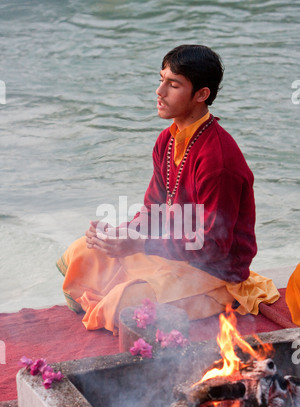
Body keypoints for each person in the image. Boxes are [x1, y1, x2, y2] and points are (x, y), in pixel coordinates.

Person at [57, 44, 280, 334]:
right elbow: (153, 211)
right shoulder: (168, 139)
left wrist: (140, 244)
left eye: (173, 84)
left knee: (125, 302)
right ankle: (113, 293)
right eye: (161, 79)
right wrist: (120, 233)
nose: (159, 91)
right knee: (82, 253)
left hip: (214, 273)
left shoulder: (218, 160)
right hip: (173, 254)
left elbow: (214, 245)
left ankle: (121, 301)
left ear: (201, 95)